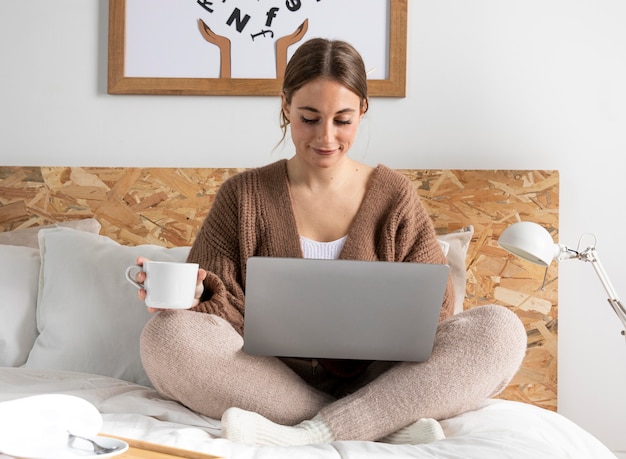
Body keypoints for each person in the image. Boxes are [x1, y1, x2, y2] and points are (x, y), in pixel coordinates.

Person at [136, 37, 527, 446]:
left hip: (382, 374)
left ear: (363, 111)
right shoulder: (243, 195)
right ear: (285, 106)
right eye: (309, 118)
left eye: (342, 120)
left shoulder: (394, 196)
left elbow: (437, 310)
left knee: (501, 329)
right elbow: (212, 305)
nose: (326, 137)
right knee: (166, 337)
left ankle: (311, 432)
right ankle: (378, 421)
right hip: (268, 378)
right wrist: (198, 292)